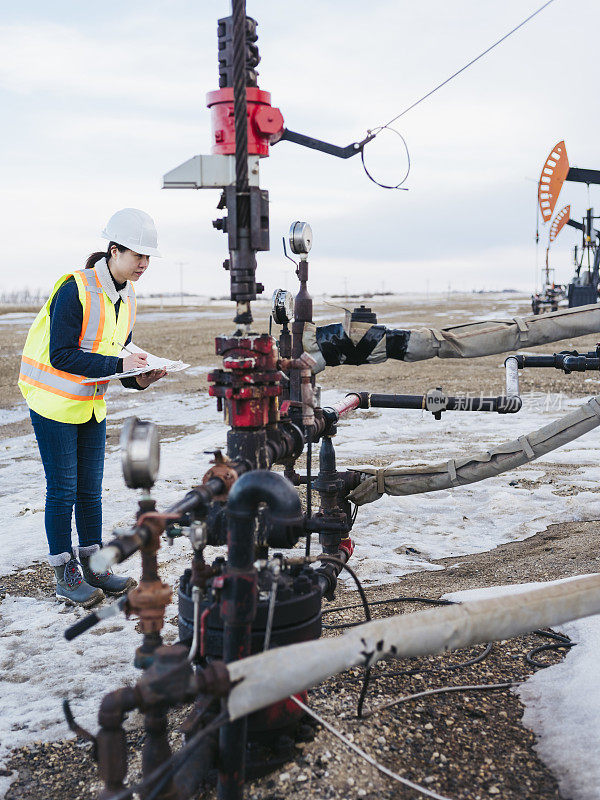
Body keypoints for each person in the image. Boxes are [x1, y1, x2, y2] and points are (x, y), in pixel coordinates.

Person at [18, 208, 167, 607]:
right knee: (63, 490)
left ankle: (95, 566)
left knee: (90, 492)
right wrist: (120, 366)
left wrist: (139, 377)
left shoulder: (127, 295)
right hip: (53, 402)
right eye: (137, 255)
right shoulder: (75, 289)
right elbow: (63, 355)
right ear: (114, 250)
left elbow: (118, 352)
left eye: (148, 257)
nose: (143, 264)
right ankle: (65, 574)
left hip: (89, 403)